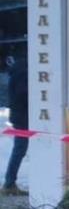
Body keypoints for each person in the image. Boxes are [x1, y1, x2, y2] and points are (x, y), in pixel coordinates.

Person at [3, 43, 27, 195]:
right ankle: (9, 183)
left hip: (19, 115)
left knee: (19, 149)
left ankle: (9, 182)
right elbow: (23, 93)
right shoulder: (24, 69)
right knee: (20, 149)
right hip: (24, 116)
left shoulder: (17, 69)